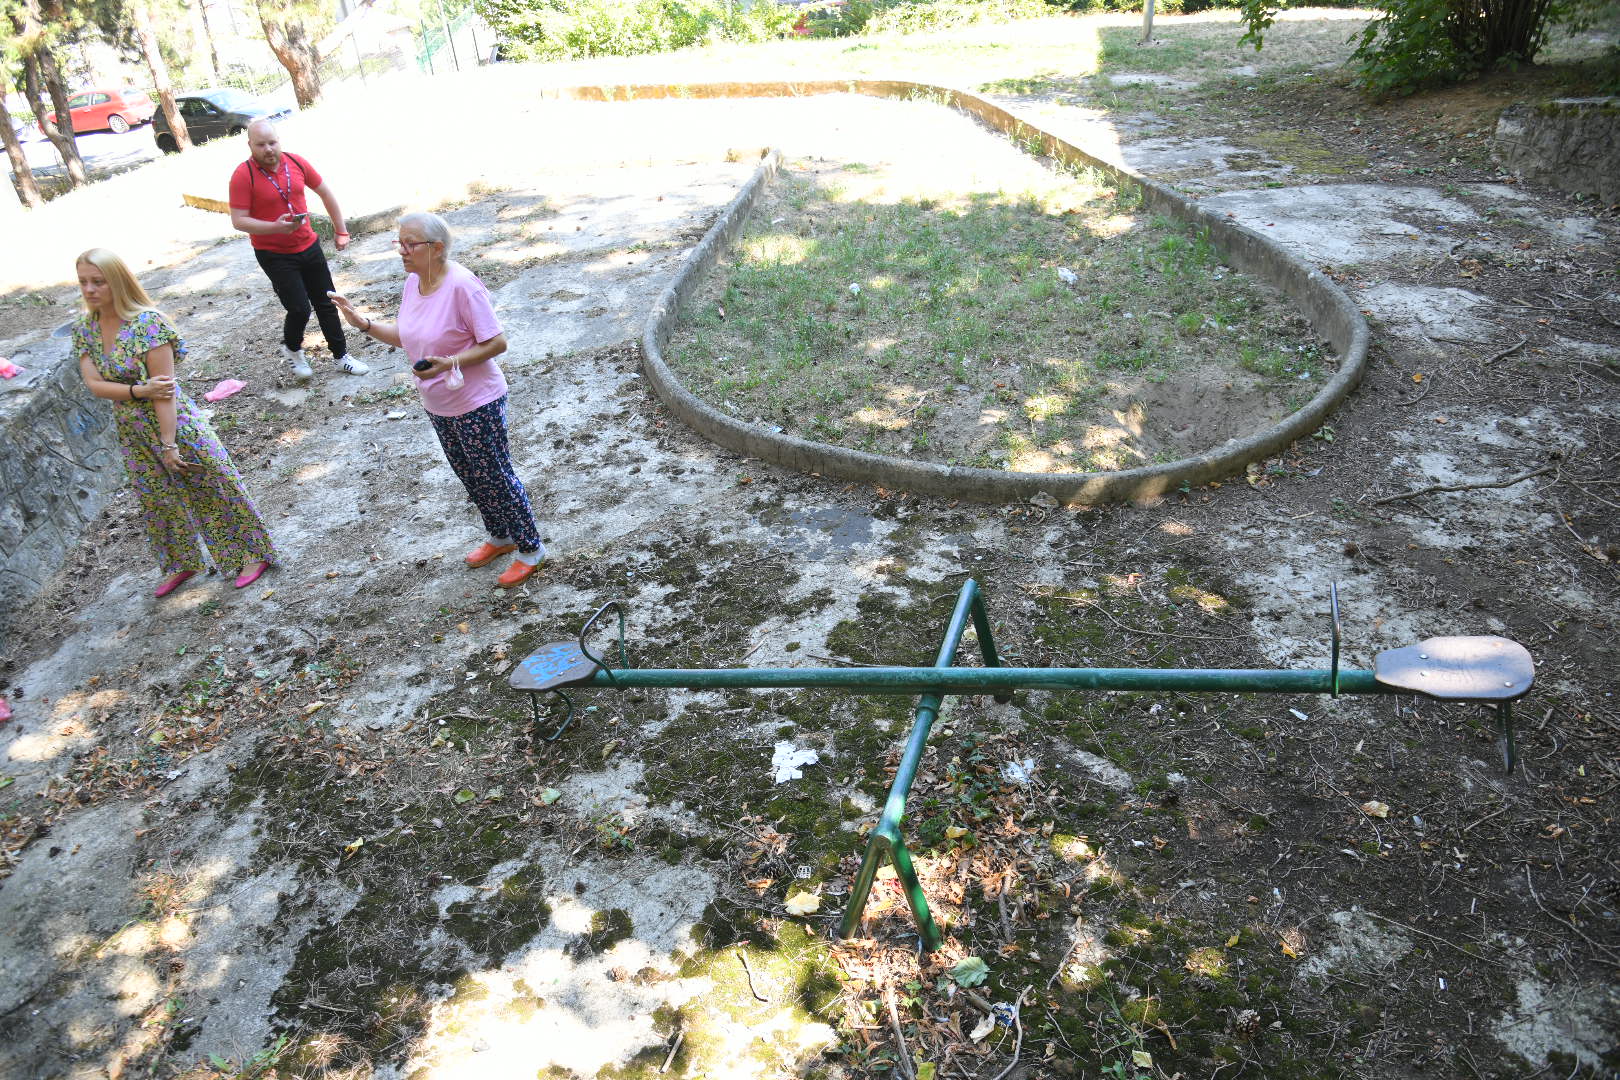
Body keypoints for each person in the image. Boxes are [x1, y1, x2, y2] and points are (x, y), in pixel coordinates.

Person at [329, 212, 545, 588]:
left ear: (437, 248)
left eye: (410, 244)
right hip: (439, 403)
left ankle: (531, 548)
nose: (402, 250)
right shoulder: (414, 282)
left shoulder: (462, 286)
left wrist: (451, 362)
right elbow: (407, 336)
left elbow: (497, 343)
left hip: (477, 402)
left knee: (495, 476)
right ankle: (501, 536)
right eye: (399, 243)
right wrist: (362, 323)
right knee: (469, 474)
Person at [72, 248, 276, 598]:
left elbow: (163, 393)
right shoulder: (84, 329)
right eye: (84, 282)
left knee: (212, 484)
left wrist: (169, 443)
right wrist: (139, 390)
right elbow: (95, 385)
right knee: (156, 499)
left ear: (118, 282)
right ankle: (181, 562)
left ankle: (252, 554)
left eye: (98, 282)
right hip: (131, 429)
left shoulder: (147, 324)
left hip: (175, 423)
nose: (89, 290)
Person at [229, 118, 368, 379]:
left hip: (308, 245)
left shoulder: (296, 162)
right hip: (274, 254)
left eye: (272, 142)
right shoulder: (243, 175)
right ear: (250, 145)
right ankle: (293, 349)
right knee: (299, 308)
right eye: (261, 145)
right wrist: (275, 227)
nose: (268, 149)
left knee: (327, 301)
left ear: (279, 141)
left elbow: (325, 193)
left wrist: (341, 230)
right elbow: (238, 220)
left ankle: (341, 356)